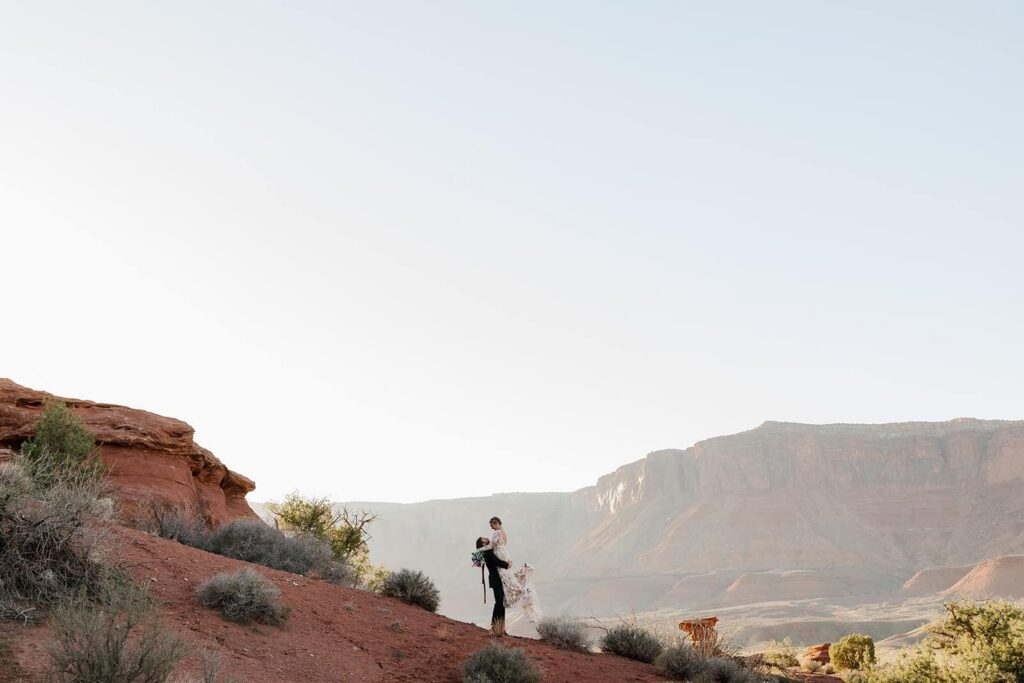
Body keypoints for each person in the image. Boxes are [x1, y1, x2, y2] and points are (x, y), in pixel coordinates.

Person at [483, 516, 542, 624]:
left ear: (496, 524)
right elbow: (503, 545)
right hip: (504, 556)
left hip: (501, 559)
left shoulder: (496, 534)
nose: (491, 528)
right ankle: (498, 625)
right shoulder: (503, 533)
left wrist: (481, 550)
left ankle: (498, 625)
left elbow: (492, 545)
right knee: (502, 596)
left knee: (502, 595)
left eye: (492, 526)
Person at [475, 536, 510, 635]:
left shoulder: (488, 551)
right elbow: (497, 562)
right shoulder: (488, 552)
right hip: (496, 579)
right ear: (483, 544)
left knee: (500, 603)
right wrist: (507, 564)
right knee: (499, 603)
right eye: (484, 539)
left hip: (496, 579)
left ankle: (499, 627)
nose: (487, 538)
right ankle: (496, 627)